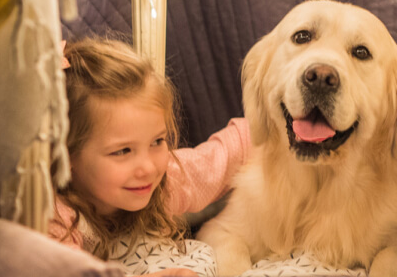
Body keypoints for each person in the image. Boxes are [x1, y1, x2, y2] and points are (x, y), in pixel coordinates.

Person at [49, 38, 251, 277]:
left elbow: (224, 156)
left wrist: (278, 127)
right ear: (66, 153)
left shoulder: (164, 180)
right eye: (123, 151)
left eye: (157, 141)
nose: (148, 167)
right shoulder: (55, 218)